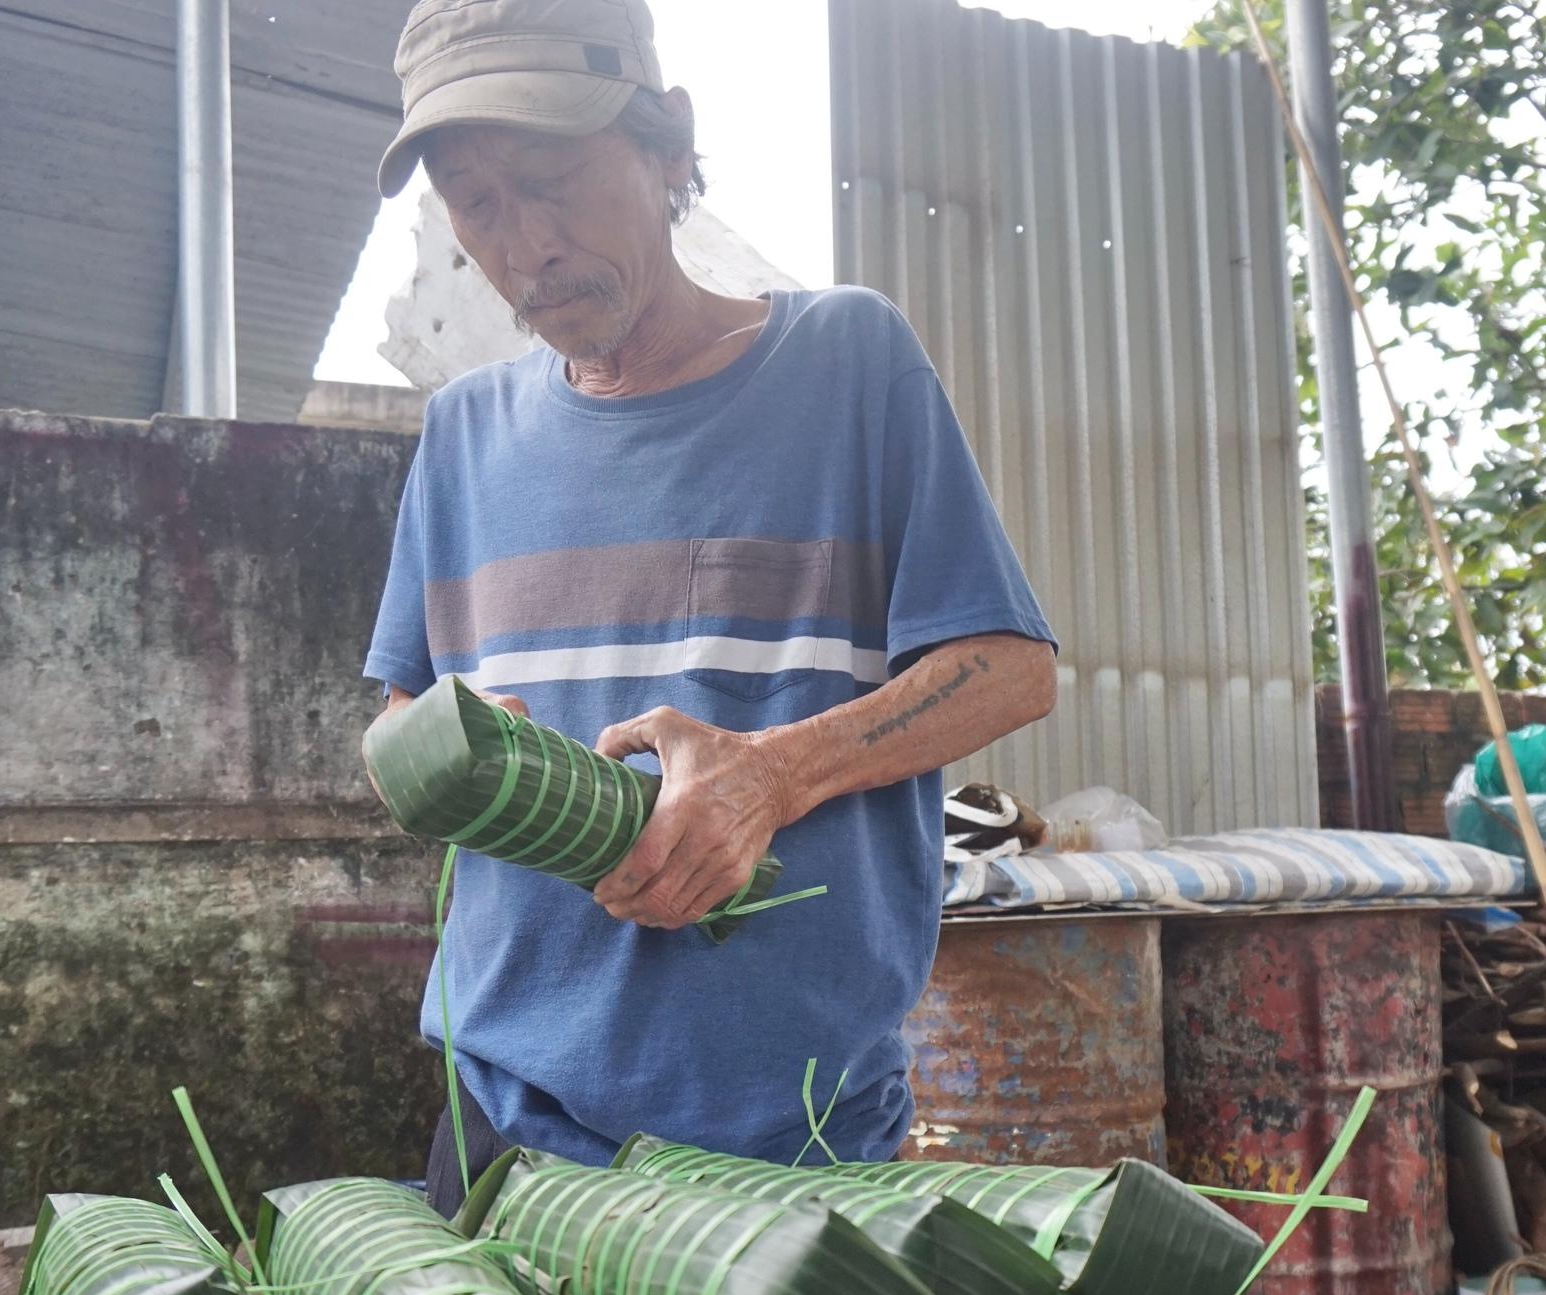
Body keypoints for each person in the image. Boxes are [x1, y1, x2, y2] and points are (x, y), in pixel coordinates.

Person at [363, 0, 1057, 1214]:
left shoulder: (846, 365)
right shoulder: (461, 435)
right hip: (505, 1120)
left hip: (791, 1130)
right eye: (475, 202)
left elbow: (1007, 667)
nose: (525, 245)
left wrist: (771, 775)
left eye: (552, 177)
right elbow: (398, 711)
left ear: (669, 144)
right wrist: (447, 751)